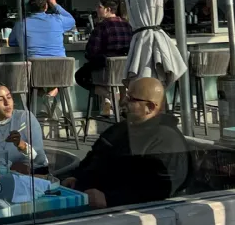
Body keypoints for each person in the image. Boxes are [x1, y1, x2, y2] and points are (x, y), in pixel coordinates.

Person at [58, 77, 189, 209]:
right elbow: (95, 156)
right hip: (82, 197)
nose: (122, 102)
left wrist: (108, 199)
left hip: (116, 213)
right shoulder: (122, 129)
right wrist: (76, 177)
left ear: (149, 107)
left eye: (131, 99)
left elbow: (158, 189)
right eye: (126, 96)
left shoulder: (166, 141)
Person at [0, 81, 48, 174]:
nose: (7, 103)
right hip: (0, 175)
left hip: (34, 175)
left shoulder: (24, 118)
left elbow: (40, 159)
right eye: (0, 100)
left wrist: (21, 145)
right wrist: (9, 168)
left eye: (9, 97)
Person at [75, 0, 132, 93]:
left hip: (106, 72)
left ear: (108, 9)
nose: (96, 9)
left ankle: (109, 96)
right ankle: (121, 99)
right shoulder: (127, 25)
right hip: (125, 71)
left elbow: (91, 52)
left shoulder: (101, 26)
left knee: (80, 76)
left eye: (99, 6)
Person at [9, 0, 75, 58]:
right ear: (46, 7)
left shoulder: (21, 24)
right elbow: (71, 21)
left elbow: (12, 42)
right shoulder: (58, 20)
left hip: (35, 66)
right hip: (61, 66)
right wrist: (54, 4)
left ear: (29, 7)